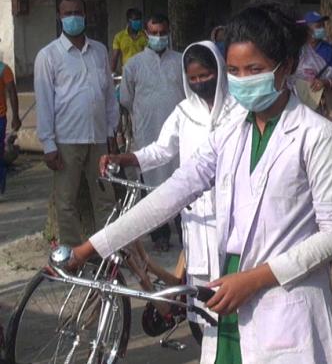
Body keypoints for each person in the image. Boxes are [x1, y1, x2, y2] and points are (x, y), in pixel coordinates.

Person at [67, 0, 332, 363]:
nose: (243, 81)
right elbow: (173, 192)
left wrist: (255, 279)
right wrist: (91, 248)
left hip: (286, 304)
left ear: (288, 68)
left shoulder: (320, 137)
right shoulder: (230, 133)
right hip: (226, 298)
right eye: (234, 70)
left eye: (255, 69)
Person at [99, 40, 243, 340]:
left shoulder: (239, 110)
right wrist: (124, 158)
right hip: (195, 214)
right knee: (200, 290)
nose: (200, 82)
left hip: (233, 214)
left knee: (232, 286)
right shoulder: (184, 111)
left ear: (218, 71)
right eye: (193, 78)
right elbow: (162, 150)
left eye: (205, 75)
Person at [34, 0, 118, 245]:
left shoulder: (99, 51)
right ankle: (72, 254)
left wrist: (112, 132)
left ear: (85, 15)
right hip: (66, 141)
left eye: (77, 12)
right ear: (60, 18)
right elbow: (45, 103)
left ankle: (108, 250)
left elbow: (109, 96)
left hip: (99, 139)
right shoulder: (48, 56)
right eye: (67, 13)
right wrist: (48, 145)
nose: (73, 17)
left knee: (105, 198)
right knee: (66, 201)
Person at [120, 14, 184, 251]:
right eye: (154, 33)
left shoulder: (180, 61)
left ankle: (184, 230)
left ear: (169, 32)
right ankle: (160, 236)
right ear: (146, 34)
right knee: (151, 187)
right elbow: (126, 99)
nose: (158, 37)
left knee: (181, 181)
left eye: (162, 33)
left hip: (179, 136)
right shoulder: (133, 65)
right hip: (148, 134)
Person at [292, 25, 332, 116]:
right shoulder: (279, 61)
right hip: (289, 113)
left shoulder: (314, 60)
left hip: (312, 113)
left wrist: (324, 82)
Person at [304, 11, 332, 115]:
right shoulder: (298, 50)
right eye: (318, 26)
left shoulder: (330, 50)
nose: (322, 29)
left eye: (323, 26)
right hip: (303, 101)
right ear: (307, 29)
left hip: (326, 102)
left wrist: (325, 82)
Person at [0, 53, 21, 195]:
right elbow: (12, 91)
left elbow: (12, 91)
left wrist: (15, 117)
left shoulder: (3, 69)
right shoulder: (3, 69)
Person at [111, 7, 147, 74]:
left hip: (142, 73)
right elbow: (115, 58)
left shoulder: (145, 36)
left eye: (139, 19)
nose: (138, 22)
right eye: (136, 20)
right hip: (126, 73)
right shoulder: (119, 37)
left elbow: (150, 56)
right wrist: (112, 73)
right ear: (128, 21)